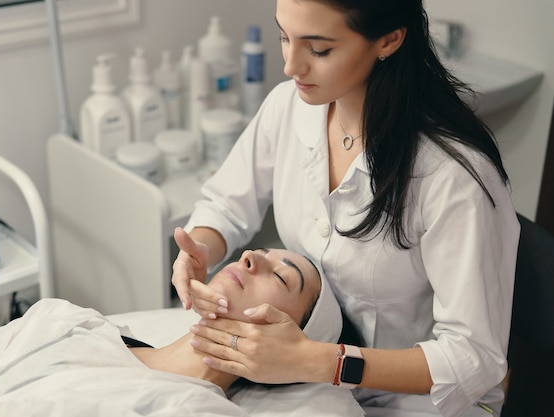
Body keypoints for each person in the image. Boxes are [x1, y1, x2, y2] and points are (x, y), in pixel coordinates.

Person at [171, 1, 520, 416]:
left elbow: (473, 358)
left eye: (318, 50)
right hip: (312, 385)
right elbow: (225, 205)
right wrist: (202, 249)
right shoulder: (289, 107)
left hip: (420, 403)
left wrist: (318, 360)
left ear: (388, 40)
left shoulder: (453, 177)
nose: (290, 66)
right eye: (285, 37)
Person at [0, 246, 343, 417]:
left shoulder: (192, 409)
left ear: (287, 338)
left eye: (283, 278)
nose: (250, 256)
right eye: (262, 252)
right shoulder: (72, 321)